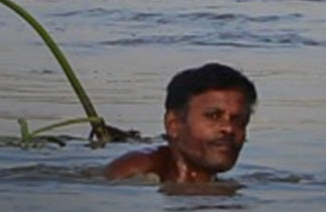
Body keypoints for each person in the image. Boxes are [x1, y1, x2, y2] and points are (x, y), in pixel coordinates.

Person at [105, 62, 257, 183]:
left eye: (238, 119)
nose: (229, 128)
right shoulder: (135, 171)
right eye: (213, 116)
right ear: (174, 124)